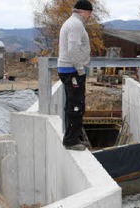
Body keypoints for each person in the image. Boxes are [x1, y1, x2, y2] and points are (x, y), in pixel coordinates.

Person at [58, 0, 93, 151]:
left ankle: (74, 136)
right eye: (89, 13)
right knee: (76, 106)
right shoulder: (76, 25)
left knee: (74, 104)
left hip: (69, 69)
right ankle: (71, 141)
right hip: (72, 71)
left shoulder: (72, 23)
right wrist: (80, 69)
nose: (90, 16)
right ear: (82, 11)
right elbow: (72, 49)